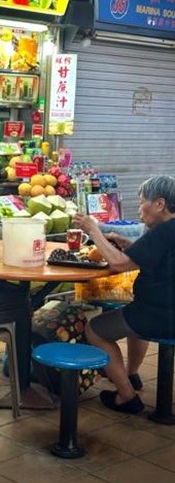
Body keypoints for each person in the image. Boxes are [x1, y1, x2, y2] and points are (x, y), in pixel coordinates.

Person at [72, 175, 175, 414]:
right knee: (131, 318)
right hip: (163, 310)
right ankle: (131, 375)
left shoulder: (163, 232)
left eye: (141, 203)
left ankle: (126, 396)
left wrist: (93, 230)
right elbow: (153, 258)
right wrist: (127, 244)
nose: (139, 209)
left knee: (95, 329)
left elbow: (118, 264)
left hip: (161, 315)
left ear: (159, 204)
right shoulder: (169, 230)